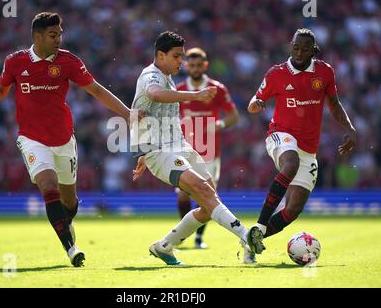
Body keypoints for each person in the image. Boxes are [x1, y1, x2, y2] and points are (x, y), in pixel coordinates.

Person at [0, 12, 130, 267]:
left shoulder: (69, 62)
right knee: (47, 184)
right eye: (53, 35)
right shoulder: (15, 61)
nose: (59, 39)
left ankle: (66, 224)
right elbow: (0, 88)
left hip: (64, 139)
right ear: (37, 36)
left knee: (69, 201)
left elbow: (96, 89)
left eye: (60, 34)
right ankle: (71, 249)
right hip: (32, 139)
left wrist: (127, 114)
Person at [131, 31, 264, 265]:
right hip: (162, 151)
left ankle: (164, 246)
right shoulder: (151, 75)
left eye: (182, 57)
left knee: (209, 200)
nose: (180, 62)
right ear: (160, 55)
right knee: (202, 190)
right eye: (176, 57)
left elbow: (150, 111)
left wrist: (141, 148)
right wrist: (195, 95)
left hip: (181, 145)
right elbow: (154, 94)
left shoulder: (167, 76)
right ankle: (245, 236)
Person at [247, 28, 356, 263]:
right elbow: (256, 100)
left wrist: (349, 128)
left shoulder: (325, 72)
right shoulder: (276, 74)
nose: (298, 52)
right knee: (291, 163)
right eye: (295, 47)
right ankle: (259, 223)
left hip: (309, 147)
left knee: (293, 209)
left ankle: (253, 238)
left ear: (313, 50)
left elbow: (335, 104)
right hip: (280, 135)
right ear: (290, 46)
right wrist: (256, 104)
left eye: (305, 49)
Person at [176, 47, 240, 249]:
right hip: (185, 150)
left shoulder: (217, 89)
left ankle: (198, 238)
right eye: (191, 64)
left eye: (198, 65)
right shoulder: (179, 90)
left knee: (207, 196)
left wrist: (219, 125)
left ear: (205, 65)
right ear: (187, 66)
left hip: (211, 151)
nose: (195, 68)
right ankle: (185, 233)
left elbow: (233, 116)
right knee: (183, 195)